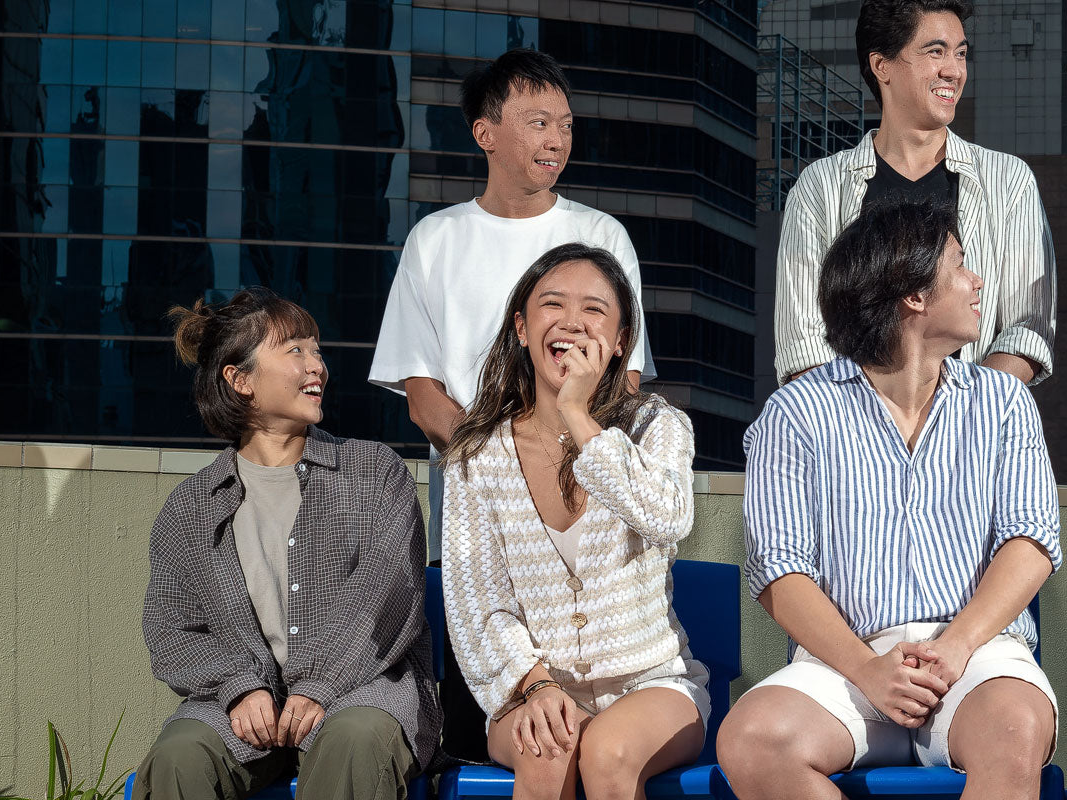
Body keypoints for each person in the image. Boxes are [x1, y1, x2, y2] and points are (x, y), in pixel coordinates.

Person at [719, 198, 1062, 800]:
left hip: (975, 654)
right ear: (913, 294)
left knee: (1015, 728)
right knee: (752, 738)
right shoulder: (796, 413)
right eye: (960, 265)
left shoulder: (1004, 403)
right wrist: (868, 670)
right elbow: (780, 570)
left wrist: (957, 645)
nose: (977, 281)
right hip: (846, 662)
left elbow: (1030, 542)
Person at [134, 288, 437, 799]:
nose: (316, 364)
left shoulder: (374, 474)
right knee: (178, 758)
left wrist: (320, 683)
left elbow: (386, 602)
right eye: (294, 350)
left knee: (356, 740)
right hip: (241, 707)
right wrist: (238, 687)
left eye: (316, 350)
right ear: (240, 379)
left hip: (361, 693)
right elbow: (172, 627)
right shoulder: (191, 506)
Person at [439, 243, 706, 799]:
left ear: (620, 342)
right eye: (552, 305)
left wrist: (578, 415)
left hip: (651, 686)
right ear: (520, 326)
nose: (571, 323)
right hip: (528, 690)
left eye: (594, 310)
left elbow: (669, 517)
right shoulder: (476, 456)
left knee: (607, 750)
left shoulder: (657, 425)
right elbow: (475, 603)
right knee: (550, 744)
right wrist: (534, 686)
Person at [369, 47, 654, 559]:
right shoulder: (434, 239)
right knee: (476, 632)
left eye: (565, 126)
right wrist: (503, 469)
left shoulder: (601, 235)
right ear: (486, 135)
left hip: (584, 493)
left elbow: (623, 378)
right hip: (469, 501)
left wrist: (558, 465)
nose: (556, 141)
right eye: (539, 123)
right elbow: (422, 395)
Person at [773, 0, 1055, 386]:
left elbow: (1028, 331)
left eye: (960, 54)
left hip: (974, 434)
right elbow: (801, 344)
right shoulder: (820, 187)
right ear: (881, 65)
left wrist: (963, 415)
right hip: (848, 436)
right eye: (935, 51)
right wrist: (865, 426)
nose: (953, 71)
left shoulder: (1008, 180)